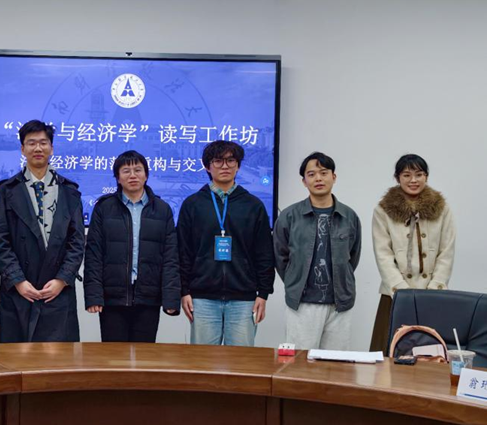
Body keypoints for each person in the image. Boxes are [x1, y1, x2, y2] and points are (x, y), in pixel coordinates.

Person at [0, 120, 85, 342]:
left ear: (52, 148)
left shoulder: (69, 192)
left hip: (58, 291)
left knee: (58, 359)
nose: (38, 148)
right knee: (17, 358)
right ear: (22, 149)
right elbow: (0, 242)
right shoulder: (6, 191)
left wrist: (62, 279)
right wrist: (18, 281)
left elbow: (77, 242)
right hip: (20, 291)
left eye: (43, 143)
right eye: (31, 143)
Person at [177, 140, 275, 346]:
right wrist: (184, 291)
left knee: (241, 362)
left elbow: (264, 253)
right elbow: (183, 251)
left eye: (231, 160)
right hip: (202, 298)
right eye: (218, 161)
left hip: (244, 298)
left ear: (238, 165)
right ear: (207, 166)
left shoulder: (253, 205)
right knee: (203, 361)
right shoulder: (193, 204)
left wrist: (263, 293)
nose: (225, 166)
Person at [84, 150, 180, 342]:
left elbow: (170, 257)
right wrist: (94, 295)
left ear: (146, 175)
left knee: (145, 355)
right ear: (118, 178)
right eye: (126, 171)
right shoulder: (104, 208)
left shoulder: (162, 210)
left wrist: (171, 298)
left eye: (138, 170)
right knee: (114, 355)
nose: (133, 175)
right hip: (113, 297)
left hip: (149, 296)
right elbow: (94, 254)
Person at [273, 152, 362, 350]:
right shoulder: (289, 216)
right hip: (302, 302)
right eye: (311, 174)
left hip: (339, 303)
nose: (318, 179)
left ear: (334, 177)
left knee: (335, 363)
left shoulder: (349, 216)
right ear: (304, 181)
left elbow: (352, 256)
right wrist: (295, 281)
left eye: (324, 173)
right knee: (299, 361)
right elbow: (280, 257)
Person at [370, 154, 456, 353]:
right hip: (394, 296)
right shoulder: (383, 210)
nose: (413, 180)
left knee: (431, 355)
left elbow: (447, 251)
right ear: (397, 178)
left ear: (426, 176)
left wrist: (434, 288)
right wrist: (402, 292)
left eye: (419, 174)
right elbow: (383, 254)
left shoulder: (442, 209)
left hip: (432, 295)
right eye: (406, 175)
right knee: (390, 354)